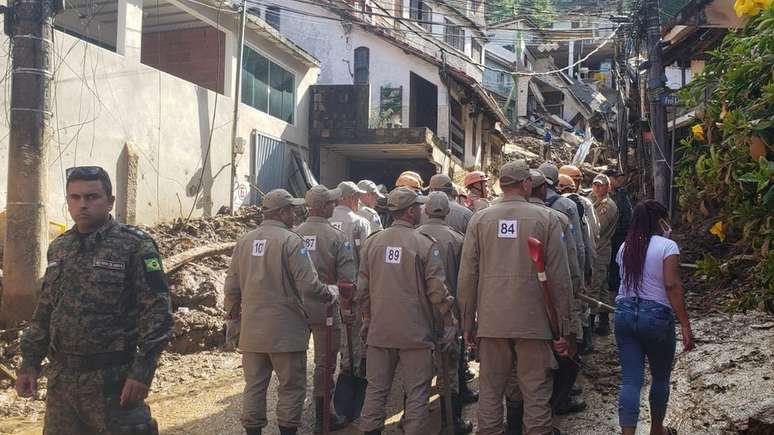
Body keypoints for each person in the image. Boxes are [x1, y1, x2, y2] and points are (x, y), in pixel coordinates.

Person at [17, 166, 172, 435]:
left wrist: (142, 371)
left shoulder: (135, 246)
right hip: (62, 385)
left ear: (110, 201)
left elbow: (158, 312)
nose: (82, 205)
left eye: (92, 197)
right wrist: (29, 363)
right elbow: (45, 311)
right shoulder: (59, 247)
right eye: (74, 198)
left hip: (113, 382)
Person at [458, 160, 574, 435]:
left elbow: (467, 277)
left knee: (490, 390)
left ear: (500, 184)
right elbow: (560, 280)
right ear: (525, 184)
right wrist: (566, 327)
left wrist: (467, 323)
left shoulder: (479, 220)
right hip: (534, 322)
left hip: (491, 321)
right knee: (536, 391)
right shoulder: (546, 219)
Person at [224, 189, 338, 435]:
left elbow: (231, 287)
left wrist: (232, 319)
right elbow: (308, 285)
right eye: (292, 210)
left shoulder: (244, 241)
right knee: (291, 388)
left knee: (254, 387)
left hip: (252, 331)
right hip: (285, 331)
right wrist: (330, 293)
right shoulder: (291, 241)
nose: (295, 214)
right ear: (283, 212)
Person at [357, 187, 457, 435]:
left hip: (380, 332)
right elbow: (437, 291)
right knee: (417, 393)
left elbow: (362, 291)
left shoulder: (372, 242)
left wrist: (367, 321)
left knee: (376, 390)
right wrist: (449, 321)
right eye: (419, 208)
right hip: (416, 333)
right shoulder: (423, 244)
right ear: (412, 211)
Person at [614, 200, 694, 435]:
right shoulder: (668, 247)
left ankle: (628, 433)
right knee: (660, 377)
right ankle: (656, 430)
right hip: (656, 317)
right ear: (661, 221)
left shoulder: (624, 247)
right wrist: (686, 325)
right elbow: (671, 286)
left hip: (624, 313)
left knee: (630, 380)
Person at [295, 185, 356, 433]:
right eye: (331, 202)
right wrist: (347, 309)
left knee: (295, 362)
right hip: (326, 308)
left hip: (297, 309)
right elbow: (346, 284)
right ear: (322, 206)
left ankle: (294, 414)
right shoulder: (337, 237)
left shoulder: (294, 233)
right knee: (325, 362)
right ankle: (323, 417)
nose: (334, 205)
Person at [527, 170, 586, 417]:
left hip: (516, 305)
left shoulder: (487, 216)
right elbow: (573, 255)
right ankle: (557, 402)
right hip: (552, 296)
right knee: (563, 349)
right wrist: (578, 284)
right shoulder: (558, 215)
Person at [417, 192, 473, 435]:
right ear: (448, 212)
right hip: (448, 311)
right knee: (449, 368)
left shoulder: (414, 237)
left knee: (417, 369)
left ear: (426, 210)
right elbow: (466, 280)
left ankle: (412, 419)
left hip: (418, 313)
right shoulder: (458, 240)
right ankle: (450, 422)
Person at [331, 181, 372, 376]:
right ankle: (351, 372)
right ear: (348, 198)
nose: (358, 201)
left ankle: (329, 383)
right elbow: (367, 257)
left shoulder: (324, 221)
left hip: (326, 290)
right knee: (353, 335)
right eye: (356, 197)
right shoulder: (359, 223)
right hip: (352, 288)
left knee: (332, 337)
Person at [590, 174, 619, 337]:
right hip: (597, 250)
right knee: (601, 287)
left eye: (600, 185)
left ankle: (589, 326)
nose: (597, 188)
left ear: (607, 187)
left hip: (600, 251)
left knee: (594, 287)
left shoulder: (607, 206)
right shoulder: (595, 201)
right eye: (595, 184)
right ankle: (604, 322)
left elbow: (597, 228)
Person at [603, 168, 633, 315]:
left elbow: (628, 212)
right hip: (608, 236)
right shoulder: (602, 196)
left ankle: (617, 295)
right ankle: (608, 300)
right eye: (616, 178)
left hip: (622, 235)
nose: (619, 180)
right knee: (607, 266)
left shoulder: (622, 194)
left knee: (618, 266)